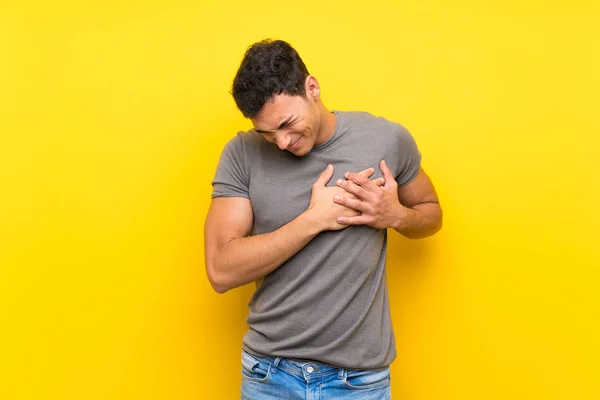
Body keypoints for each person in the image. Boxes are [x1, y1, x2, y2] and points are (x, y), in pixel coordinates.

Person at [204, 39, 443, 399]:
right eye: (266, 133)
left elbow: (431, 214)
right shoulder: (242, 154)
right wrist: (313, 220)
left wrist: (395, 215)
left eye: (287, 123)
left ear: (311, 88)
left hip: (358, 382)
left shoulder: (385, 139)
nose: (281, 142)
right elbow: (221, 271)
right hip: (270, 376)